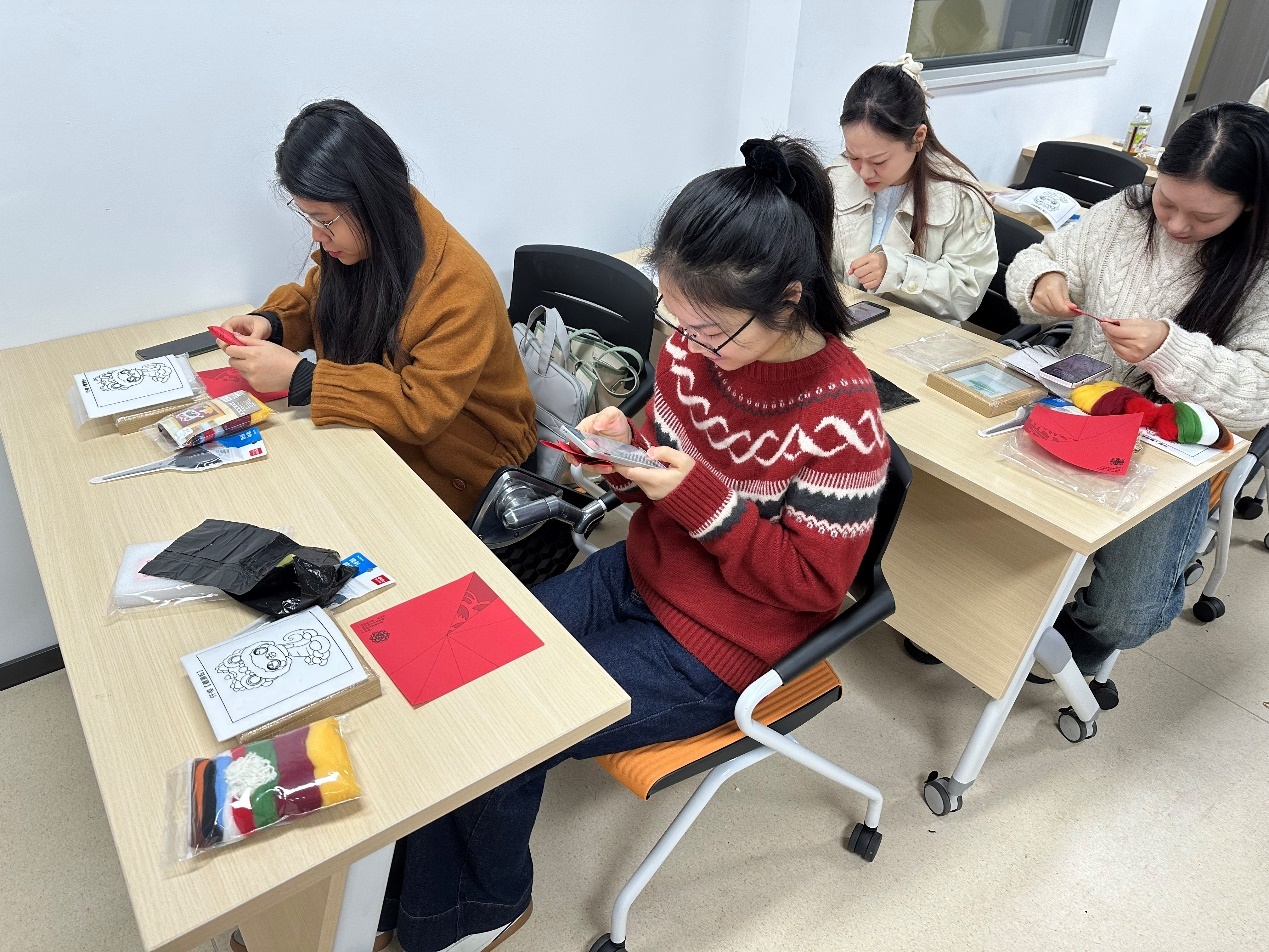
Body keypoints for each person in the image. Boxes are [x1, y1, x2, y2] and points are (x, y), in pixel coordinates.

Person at [376, 137, 891, 952]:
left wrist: (697, 497)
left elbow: (810, 586)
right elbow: (662, 453)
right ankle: (388, 888)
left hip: (724, 643)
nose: (687, 345)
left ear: (788, 299)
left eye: (709, 330)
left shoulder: (843, 415)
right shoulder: (694, 348)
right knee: (452, 658)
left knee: (509, 721)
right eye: (675, 320)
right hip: (640, 572)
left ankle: (476, 911)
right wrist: (619, 452)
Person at [1006, 101, 1269, 675]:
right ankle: (987, 624)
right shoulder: (1123, 214)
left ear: (1250, 205)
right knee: (988, 523)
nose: (1175, 225)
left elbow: (1259, 393)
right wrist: (1044, 279)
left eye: (1203, 217)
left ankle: (1072, 634)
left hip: (1168, 448)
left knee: (1128, 614)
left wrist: (1169, 348)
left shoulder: (1262, 267)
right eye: (1167, 201)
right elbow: (1039, 257)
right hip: (1076, 406)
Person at [217, 100, 537, 520]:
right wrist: (272, 323)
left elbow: (421, 410)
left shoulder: (460, 286)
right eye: (307, 217)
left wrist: (302, 378)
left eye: (324, 220)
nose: (316, 235)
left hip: (469, 471)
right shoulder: (365, 244)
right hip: (382, 443)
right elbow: (320, 301)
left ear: (372, 201)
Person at [828, 54, 996, 324]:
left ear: (918, 138)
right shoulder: (835, 177)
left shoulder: (960, 196)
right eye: (853, 156)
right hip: (841, 327)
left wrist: (899, 272)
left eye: (879, 161)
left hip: (916, 335)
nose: (864, 172)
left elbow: (966, 293)